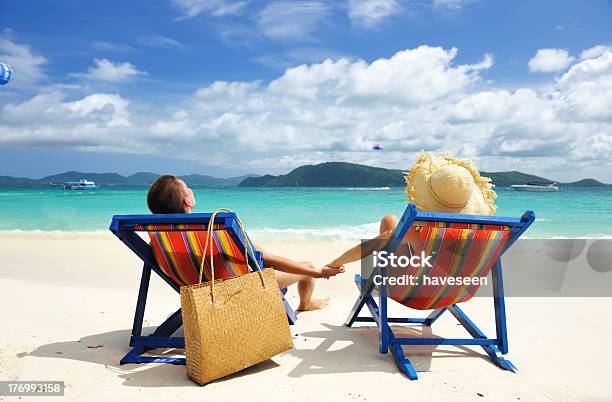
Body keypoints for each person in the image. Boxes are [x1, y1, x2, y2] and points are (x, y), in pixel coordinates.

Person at [146, 175, 344, 311]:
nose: (190, 188)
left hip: (197, 293)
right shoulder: (211, 230)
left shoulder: (156, 237)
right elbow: (268, 259)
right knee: (306, 266)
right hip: (238, 290)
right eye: (187, 187)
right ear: (187, 202)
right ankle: (305, 305)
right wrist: (319, 272)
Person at [325, 152, 497, 269]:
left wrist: (335, 264)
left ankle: (382, 272)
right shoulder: (477, 232)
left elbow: (367, 248)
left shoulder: (417, 233)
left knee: (392, 231)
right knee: (389, 220)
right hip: (458, 288)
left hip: (414, 290)